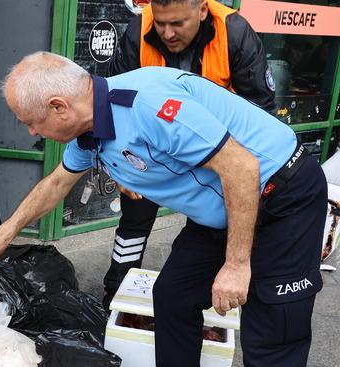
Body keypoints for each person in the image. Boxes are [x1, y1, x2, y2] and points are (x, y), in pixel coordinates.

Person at [0, 52, 326, 367]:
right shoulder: (90, 131)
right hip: (219, 209)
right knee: (173, 295)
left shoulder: (146, 106)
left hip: (280, 198)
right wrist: (5, 233)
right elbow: (56, 184)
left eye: (31, 121)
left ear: (58, 106)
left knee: (273, 349)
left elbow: (241, 165)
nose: (31, 131)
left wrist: (237, 264)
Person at [103, 0, 276, 308]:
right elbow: (111, 99)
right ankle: (116, 291)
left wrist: (243, 171)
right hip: (151, 145)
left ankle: (217, 292)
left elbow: (259, 110)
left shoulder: (234, 32)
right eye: (160, 23)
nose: (167, 33)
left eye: (178, 24)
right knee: (134, 218)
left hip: (218, 148)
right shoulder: (136, 30)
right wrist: (118, 171)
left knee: (218, 222)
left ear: (202, 11)